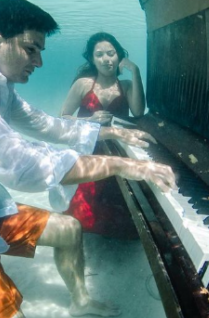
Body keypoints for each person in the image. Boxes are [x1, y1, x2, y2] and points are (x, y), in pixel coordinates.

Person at [0, 1, 176, 318]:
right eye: (31, 49)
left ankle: (80, 301)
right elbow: (19, 165)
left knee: (69, 230)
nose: (40, 61)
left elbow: (45, 124)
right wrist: (120, 165)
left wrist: (111, 132)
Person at [60, 32, 147, 238]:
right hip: (88, 151)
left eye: (111, 53)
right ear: (92, 59)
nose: (106, 59)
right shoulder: (83, 84)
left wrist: (135, 71)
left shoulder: (125, 86)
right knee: (84, 216)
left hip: (117, 151)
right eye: (99, 55)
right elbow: (63, 118)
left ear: (119, 56)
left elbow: (138, 112)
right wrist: (89, 121)